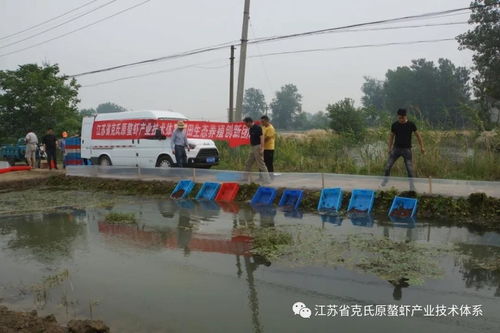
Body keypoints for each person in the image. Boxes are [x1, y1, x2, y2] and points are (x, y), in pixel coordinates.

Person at [382, 108, 425, 190]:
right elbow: (391, 137)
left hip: (407, 150)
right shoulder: (394, 125)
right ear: (397, 117)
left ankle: (412, 186)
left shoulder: (411, 124)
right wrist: (389, 148)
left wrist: (422, 147)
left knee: (409, 169)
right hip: (396, 149)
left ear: (405, 116)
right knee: (387, 166)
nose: (401, 120)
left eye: (402, 118)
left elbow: (418, 136)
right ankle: (385, 180)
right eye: (399, 118)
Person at [243, 117, 270, 183]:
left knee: (261, 164)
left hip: (258, 147)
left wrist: (262, 148)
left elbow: (262, 138)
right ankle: (245, 178)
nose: (245, 125)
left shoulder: (258, 128)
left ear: (249, 122)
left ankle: (267, 180)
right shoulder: (250, 129)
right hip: (252, 147)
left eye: (246, 123)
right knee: (248, 163)